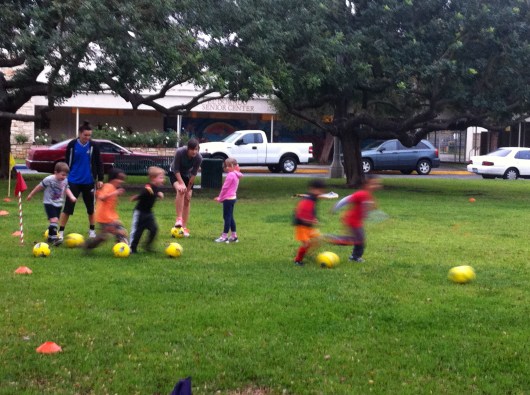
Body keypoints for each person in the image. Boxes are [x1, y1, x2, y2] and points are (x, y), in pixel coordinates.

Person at [58, 121, 104, 240]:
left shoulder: (93, 146)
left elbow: (99, 163)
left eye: (89, 135)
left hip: (89, 181)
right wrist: (65, 177)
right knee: (68, 208)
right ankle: (61, 233)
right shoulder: (72, 145)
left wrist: (100, 178)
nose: (87, 138)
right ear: (80, 134)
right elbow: (67, 161)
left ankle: (92, 231)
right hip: (73, 181)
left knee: (90, 208)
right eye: (85, 135)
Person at [331, 176, 382, 262]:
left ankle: (354, 256)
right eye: (373, 183)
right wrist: (336, 207)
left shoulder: (370, 197)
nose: (376, 185)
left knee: (358, 239)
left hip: (357, 222)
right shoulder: (361, 194)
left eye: (377, 184)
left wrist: (382, 218)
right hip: (352, 220)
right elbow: (346, 200)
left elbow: (371, 210)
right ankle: (332, 239)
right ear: (367, 184)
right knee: (359, 239)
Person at [26, 162, 77, 246]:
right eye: (62, 175)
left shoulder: (65, 180)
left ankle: (50, 237)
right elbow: (39, 187)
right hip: (49, 202)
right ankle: (54, 239)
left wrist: (71, 196)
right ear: (56, 172)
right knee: (54, 220)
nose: (64, 177)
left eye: (66, 175)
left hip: (59, 203)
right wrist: (31, 195)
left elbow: (66, 189)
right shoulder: (49, 179)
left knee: (54, 221)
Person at [84, 168, 127, 251]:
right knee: (109, 235)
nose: (122, 181)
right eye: (120, 179)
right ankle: (88, 245)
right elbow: (101, 197)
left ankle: (122, 247)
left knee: (119, 232)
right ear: (113, 179)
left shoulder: (113, 187)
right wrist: (115, 193)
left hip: (111, 216)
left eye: (123, 179)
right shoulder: (108, 186)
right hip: (104, 217)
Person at [169, 138, 203, 237]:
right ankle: (179, 219)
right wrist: (181, 183)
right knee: (181, 190)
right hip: (174, 173)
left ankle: (184, 227)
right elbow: (176, 169)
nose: (194, 151)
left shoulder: (199, 158)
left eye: (196, 149)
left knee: (187, 198)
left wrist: (188, 190)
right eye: (192, 149)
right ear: (188, 149)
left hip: (186, 176)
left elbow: (193, 175)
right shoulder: (180, 152)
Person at [129, 166, 165, 253]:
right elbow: (145, 192)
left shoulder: (156, 187)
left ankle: (147, 246)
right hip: (140, 213)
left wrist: (159, 194)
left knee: (154, 229)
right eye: (160, 177)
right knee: (137, 232)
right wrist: (136, 197)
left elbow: (154, 193)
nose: (163, 179)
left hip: (149, 213)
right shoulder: (148, 187)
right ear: (153, 178)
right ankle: (132, 248)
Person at [293, 179, 326, 266]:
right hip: (301, 226)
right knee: (306, 243)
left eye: (321, 190)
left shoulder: (313, 198)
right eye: (318, 190)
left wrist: (313, 218)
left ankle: (306, 253)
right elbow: (299, 213)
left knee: (318, 238)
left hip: (309, 226)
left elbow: (310, 211)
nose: (320, 192)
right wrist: (309, 220)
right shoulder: (308, 200)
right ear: (311, 189)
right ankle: (297, 260)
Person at [214, 158, 243, 243]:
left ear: (232, 166)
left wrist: (220, 198)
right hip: (233, 198)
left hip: (228, 199)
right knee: (230, 217)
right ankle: (234, 236)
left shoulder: (231, 175)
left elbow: (225, 188)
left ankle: (224, 236)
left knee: (226, 217)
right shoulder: (237, 174)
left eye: (227, 166)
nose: (226, 168)